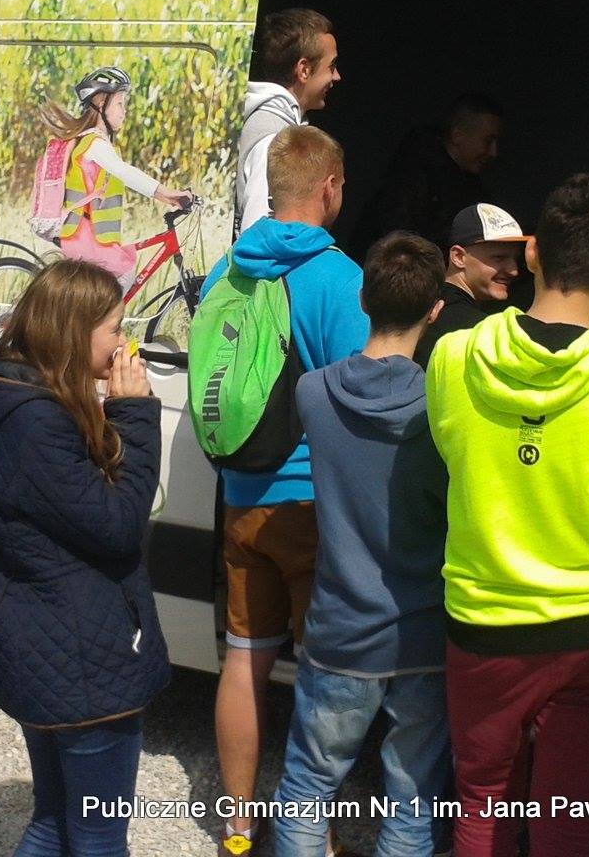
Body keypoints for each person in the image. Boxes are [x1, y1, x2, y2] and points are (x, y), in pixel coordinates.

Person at [425, 173, 589, 857]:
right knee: (571, 812)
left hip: (486, 617)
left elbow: (452, 454)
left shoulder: (453, 357)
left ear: (533, 252)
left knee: (483, 798)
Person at [0, 259, 169, 857]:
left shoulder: (16, 398)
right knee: (96, 836)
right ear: (74, 332)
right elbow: (118, 526)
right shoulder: (37, 421)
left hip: (43, 644)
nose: (123, 342)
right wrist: (135, 415)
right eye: (115, 328)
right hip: (81, 660)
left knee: (54, 821)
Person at [203, 125, 370, 856]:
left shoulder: (227, 270)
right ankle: (313, 835)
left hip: (241, 497)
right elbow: (360, 401)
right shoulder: (338, 277)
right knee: (321, 681)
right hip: (310, 506)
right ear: (329, 186)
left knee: (244, 659)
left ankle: (238, 827)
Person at [273, 231, 453, 857]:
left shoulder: (314, 391)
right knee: (414, 801)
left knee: (307, 787)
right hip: (425, 630)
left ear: (363, 298)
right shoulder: (443, 406)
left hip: (341, 628)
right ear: (436, 310)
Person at [44, 66, 193, 289]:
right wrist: (166, 193)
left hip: (86, 236)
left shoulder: (91, 141)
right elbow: (125, 172)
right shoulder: (94, 144)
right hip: (83, 236)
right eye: (120, 104)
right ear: (101, 104)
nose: (124, 111)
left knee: (110, 282)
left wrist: (167, 197)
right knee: (123, 276)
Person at [348, 93, 503, 258]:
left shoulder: (472, 187)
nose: (493, 152)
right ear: (457, 135)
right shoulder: (410, 178)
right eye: (488, 141)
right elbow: (397, 244)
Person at [236, 8, 340, 236]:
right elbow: (256, 234)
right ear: (304, 70)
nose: (336, 76)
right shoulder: (273, 138)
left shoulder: (280, 126)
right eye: (331, 66)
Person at [413, 202, 526, 366]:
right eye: (499, 258)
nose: (513, 270)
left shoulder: (418, 311)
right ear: (458, 257)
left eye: (515, 259)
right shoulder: (481, 331)